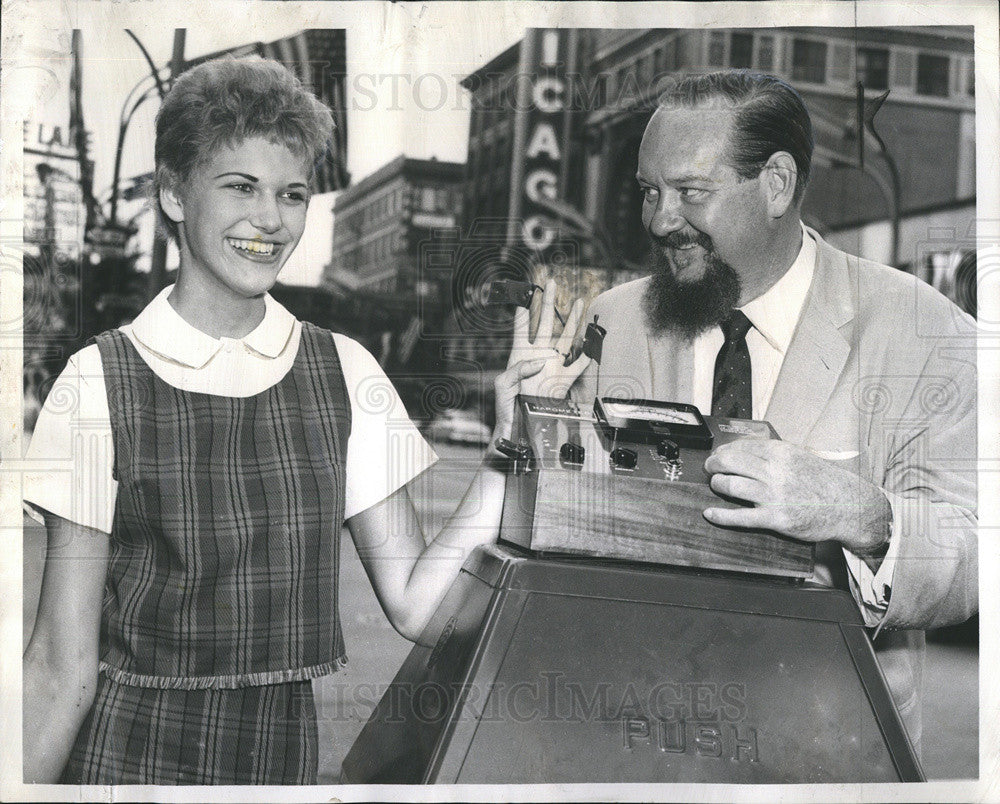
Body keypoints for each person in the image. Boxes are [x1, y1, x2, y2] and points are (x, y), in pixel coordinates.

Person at [20, 55, 574, 785]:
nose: (270, 220)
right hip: (124, 765)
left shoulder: (346, 371)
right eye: (240, 187)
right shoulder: (95, 380)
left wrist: (510, 441)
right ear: (175, 195)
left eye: (292, 194)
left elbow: (417, 605)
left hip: (276, 771)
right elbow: (61, 671)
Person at [532, 70, 977, 757]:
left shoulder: (924, 329)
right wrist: (536, 437)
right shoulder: (613, 319)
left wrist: (862, 515)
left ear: (775, 183)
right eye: (650, 191)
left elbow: (974, 555)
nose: (658, 219)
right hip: (628, 727)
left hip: (825, 747)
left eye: (690, 192)